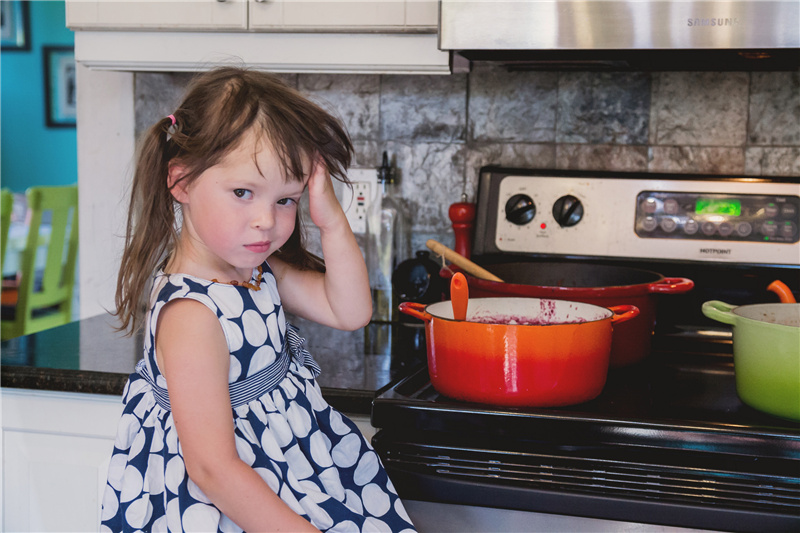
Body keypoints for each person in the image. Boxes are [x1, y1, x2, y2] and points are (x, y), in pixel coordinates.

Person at [102, 67, 417, 533]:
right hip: (229, 505)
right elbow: (212, 469)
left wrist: (331, 220)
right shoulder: (192, 314)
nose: (265, 221)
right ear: (182, 182)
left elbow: (350, 311)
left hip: (290, 473)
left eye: (286, 200)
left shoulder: (256, 272)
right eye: (243, 193)